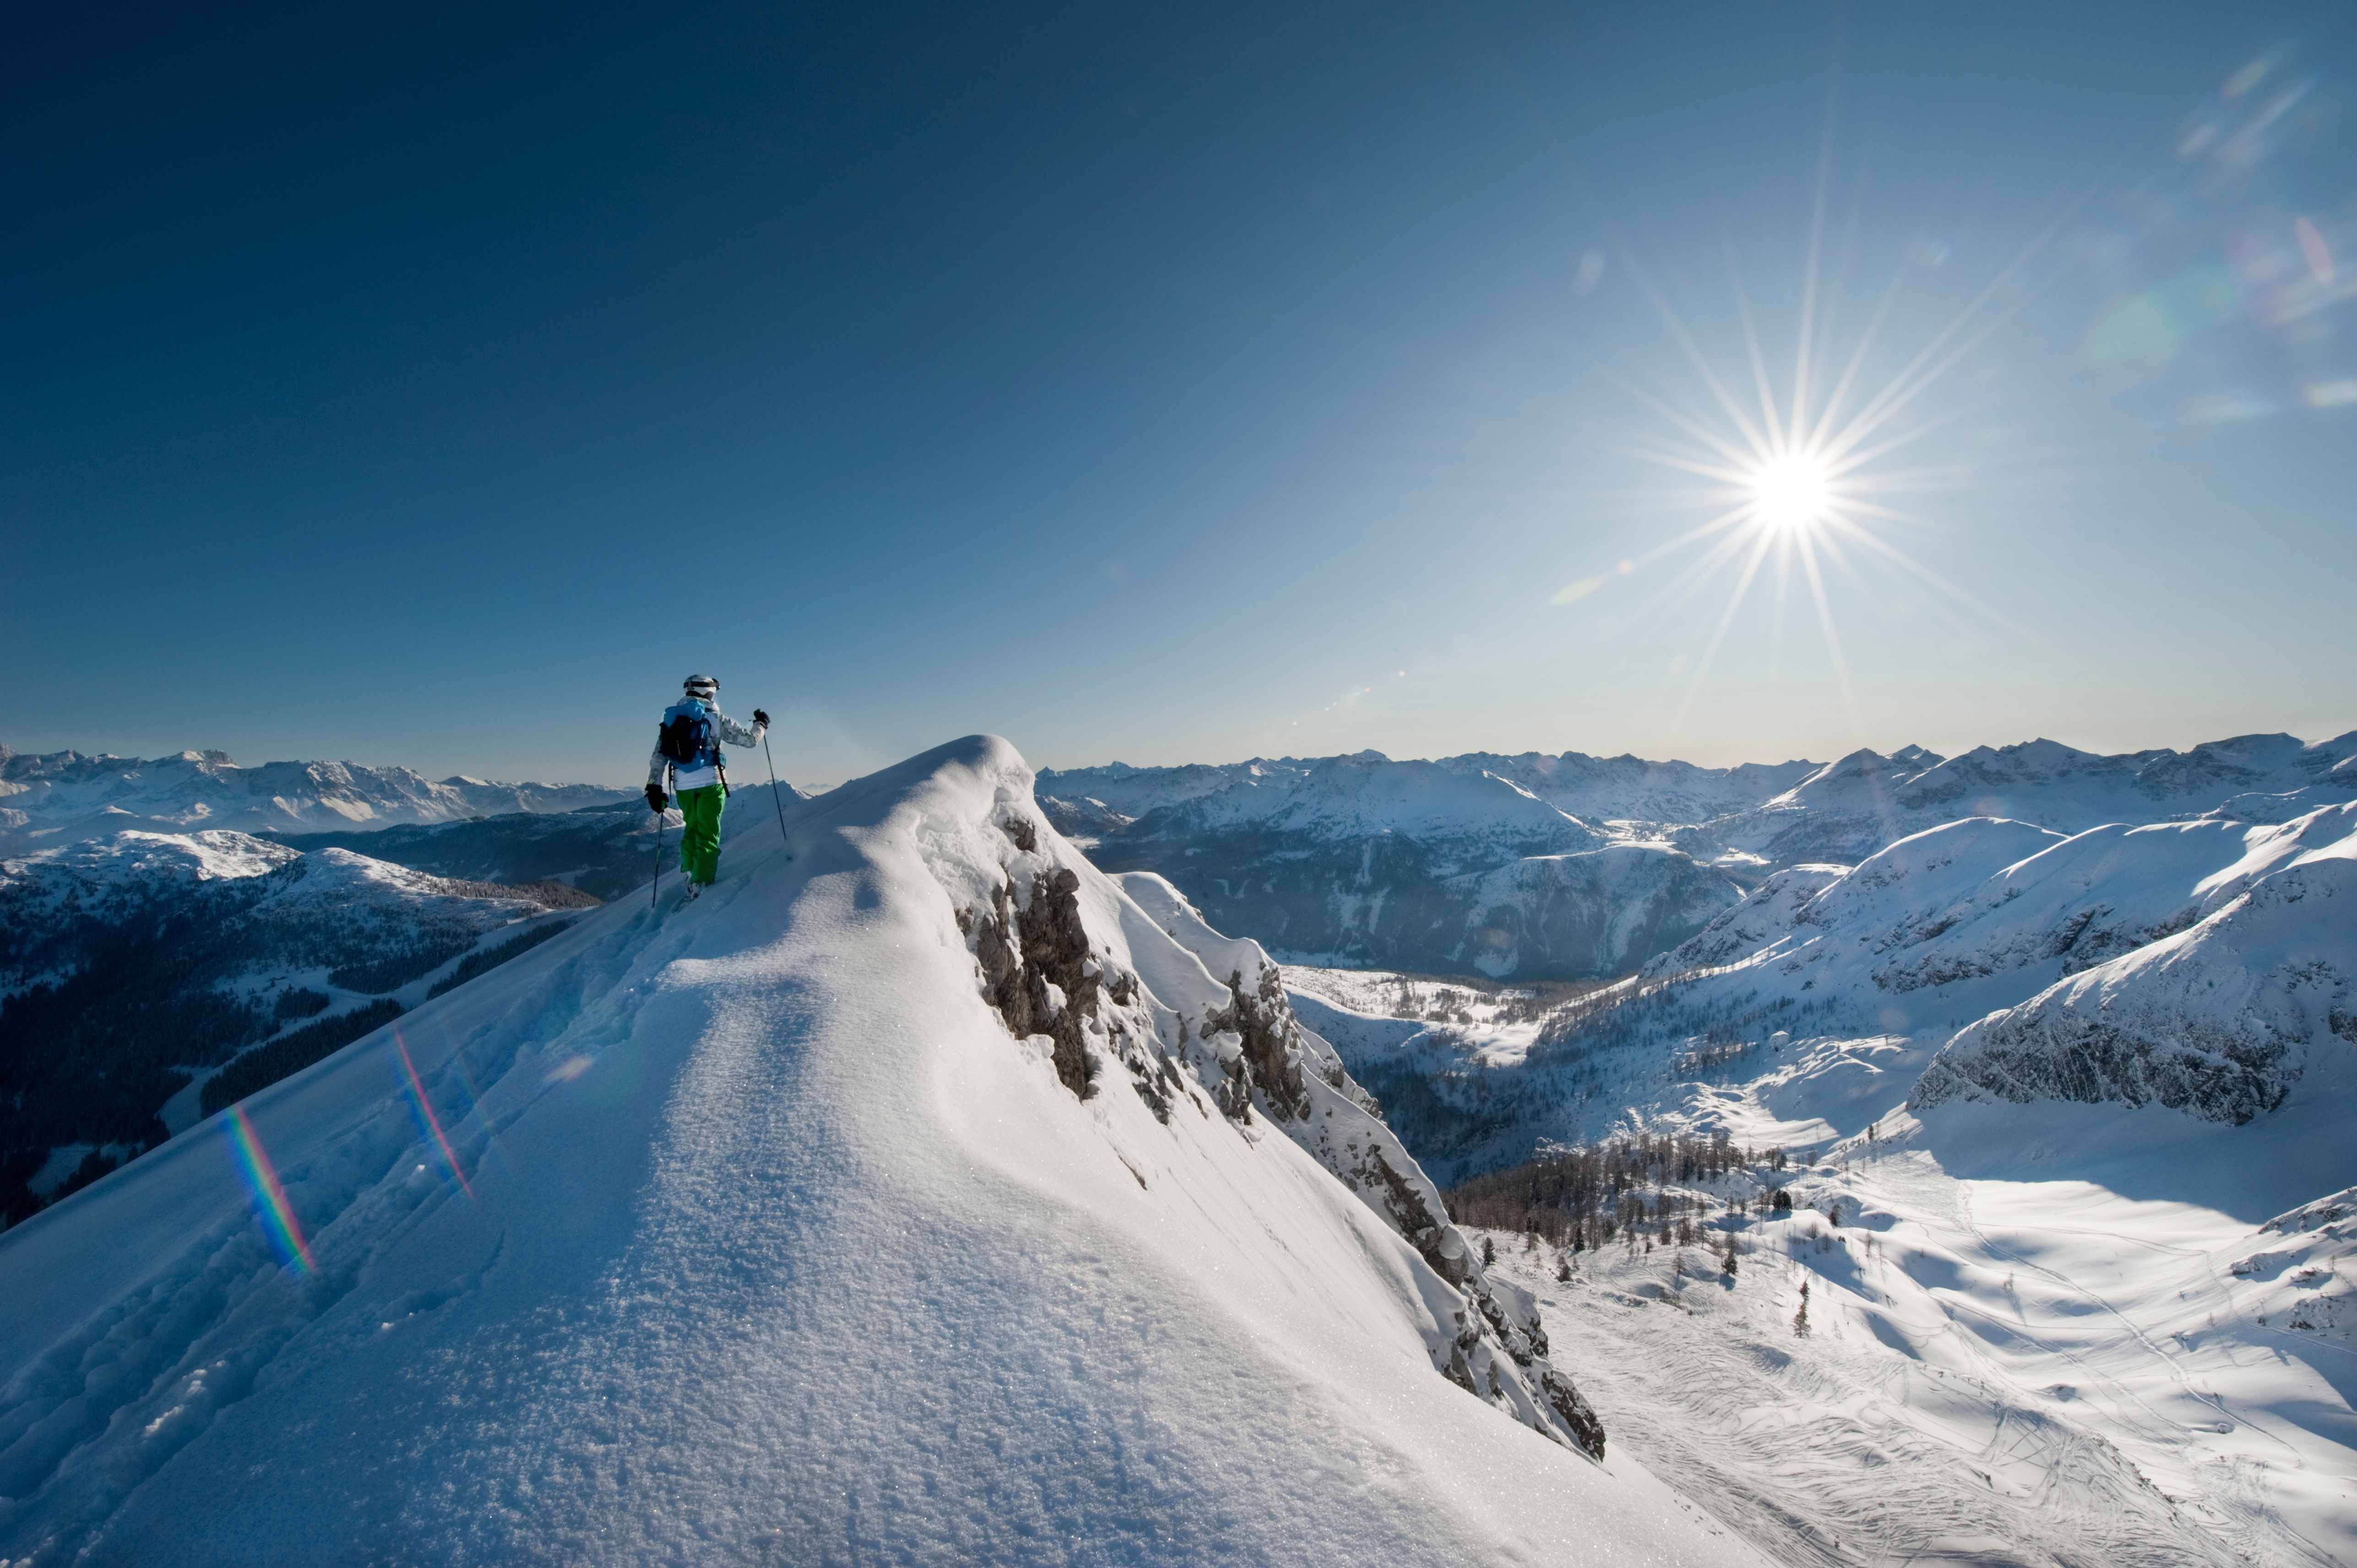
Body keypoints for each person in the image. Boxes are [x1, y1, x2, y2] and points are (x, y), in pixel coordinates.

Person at [645, 674, 769, 897]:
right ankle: (701, 884)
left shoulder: (671, 718)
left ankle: (691, 872)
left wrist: (654, 786)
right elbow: (750, 741)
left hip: (683, 785)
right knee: (709, 834)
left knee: (691, 829)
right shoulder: (716, 717)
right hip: (711, 782)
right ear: (708, 691)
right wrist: (761, 724)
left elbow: (659, 756)